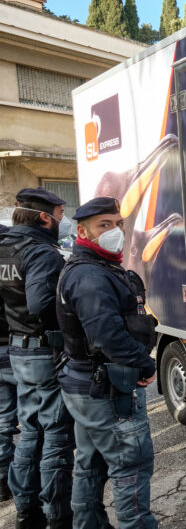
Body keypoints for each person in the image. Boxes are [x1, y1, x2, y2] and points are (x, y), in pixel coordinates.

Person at [56, 197, 158, 529]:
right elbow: (107, 336)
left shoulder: (93, 268)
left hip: (85, 385)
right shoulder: (89, 275)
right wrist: (145, 364)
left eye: (118, 224)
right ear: (82, 231)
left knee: (90, 463)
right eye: (105, 225)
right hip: (105, 390)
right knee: (131, 466)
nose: (115, 231)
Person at [0, 188, 75, 529]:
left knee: (29, 432)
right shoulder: (42, 253)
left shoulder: (5, 248)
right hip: (44, 350)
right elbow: (41, 304)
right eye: (60, 214)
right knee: (55, 435)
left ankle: (26, 512)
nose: (62, 221)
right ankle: (57, 515)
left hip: (18, 349)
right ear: (44, 217)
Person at [0, 222, 15, 503]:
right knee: (34, 418)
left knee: (2, 418)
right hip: (12, 346)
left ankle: (3, 481)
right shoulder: (12, 264)